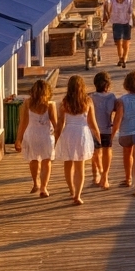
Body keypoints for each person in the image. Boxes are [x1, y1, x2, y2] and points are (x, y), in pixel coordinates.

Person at [52, 75, 98, 205]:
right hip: (82, 134)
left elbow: (60, 123)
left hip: (68, 133)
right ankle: (78, 195)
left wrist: (56, 139)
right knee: (80, 166)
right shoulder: (88, 101)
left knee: (68, 163)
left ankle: (72, 190)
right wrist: (98, 136)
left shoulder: (65, 102)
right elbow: (92, 122)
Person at [15, 79, 56, 197]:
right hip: (46, 136)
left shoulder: (27, 103)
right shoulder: (50, 104)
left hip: (31, 135)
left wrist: (18, 140)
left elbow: (23, 123)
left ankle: (35, 183)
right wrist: (59, 138)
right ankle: (44, 187)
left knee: (33, 160)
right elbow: (56, 124)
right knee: (46, 161)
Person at [90, 72, 118, 190]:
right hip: (106, 128)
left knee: (95, 153)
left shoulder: (90, 97)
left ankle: (97, 173)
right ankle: (104, 175)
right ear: (108, 84)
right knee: (106, 151)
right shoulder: (111, 97)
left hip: (93, 129)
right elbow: (113, 110)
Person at [103, 0, 135, 69]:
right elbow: (107, 3)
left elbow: (131, 9)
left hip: (127, 22)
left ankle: (124, 58)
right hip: (117, 22)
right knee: (118, 42)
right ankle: (120, 57)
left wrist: (134, 20)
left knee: (126, 41)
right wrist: (107, 14)